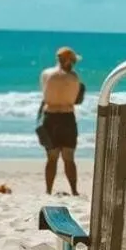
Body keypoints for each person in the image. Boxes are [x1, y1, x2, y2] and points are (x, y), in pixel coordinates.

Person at [39, 47, 85, 195]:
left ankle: (48, 190)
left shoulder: (46, 74)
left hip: (50, 117)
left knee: (51, 158)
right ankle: (74, 190)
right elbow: (77, 100)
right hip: (67, 118)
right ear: (68, 60)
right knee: (69, 158)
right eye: (72, 61)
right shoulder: (74, 77)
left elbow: (45, 94)